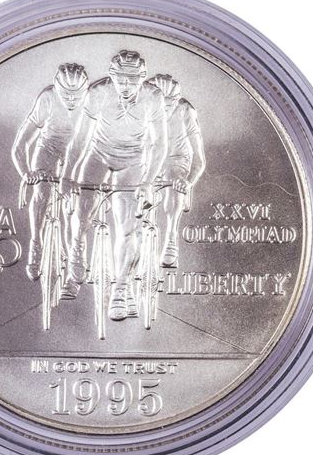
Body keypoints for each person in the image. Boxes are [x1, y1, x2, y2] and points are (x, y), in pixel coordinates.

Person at [61, 50, 167, 321]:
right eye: (121, 80)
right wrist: (69, 176)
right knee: (80, 214)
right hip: (98, 156)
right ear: (112, 77)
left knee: (127, 228)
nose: (126, 86)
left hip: (133, 162)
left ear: (142, 78)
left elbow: (159, 144)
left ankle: (121, 288)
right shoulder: (98, 93)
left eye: (132, 80)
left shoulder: (153, 97)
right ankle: (76, 259)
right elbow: (80, 139)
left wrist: (148, 181)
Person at [11, 63, 89, 281]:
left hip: (77, 152)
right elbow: (20, 145)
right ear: (57, 89)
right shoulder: (47, 99)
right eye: (66, 95)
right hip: (48, 149)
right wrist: (27, 173)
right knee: (42, 193)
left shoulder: (92, 101)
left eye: (77, 96)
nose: (71, 100)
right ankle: (36, 243)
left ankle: (74, 249)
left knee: (76, 203)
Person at [146, 74, 205, 267]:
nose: (165, 110)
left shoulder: (186, 111)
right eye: (161, 105)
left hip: (176, 159)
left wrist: (188, 181)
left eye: (170, 104)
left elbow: (199, 159)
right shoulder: (141, 107)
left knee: (174, 180)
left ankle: (171, 235)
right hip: (148, 158)